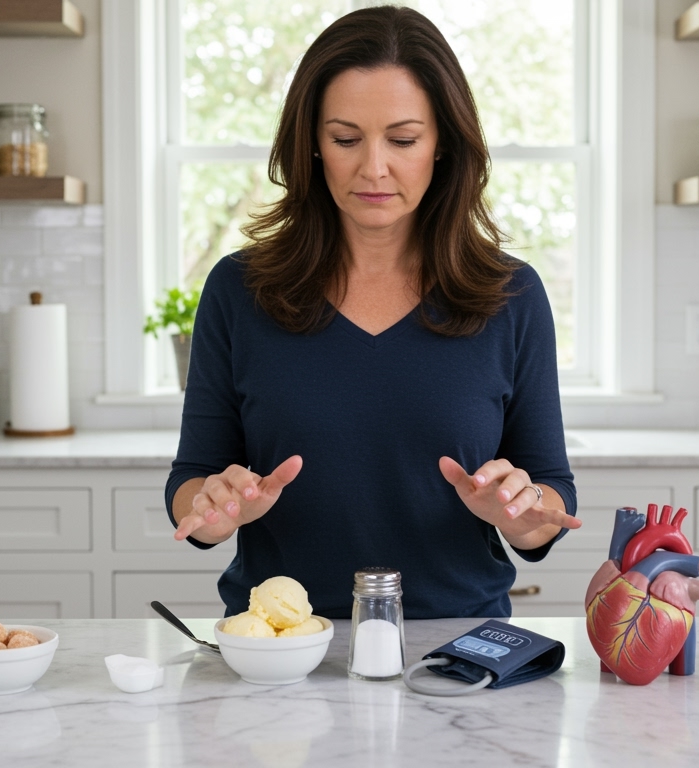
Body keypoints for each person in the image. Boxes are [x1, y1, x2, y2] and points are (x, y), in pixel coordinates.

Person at [166, 5, 579, 620]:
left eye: (404, 139)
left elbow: (550, 494)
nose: (374, 167)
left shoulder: (511, 295)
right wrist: (216, 508)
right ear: (311, 146)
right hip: (282, 649)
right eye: (345, 139)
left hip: (457, 643)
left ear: (443, 144)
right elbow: (192, 481)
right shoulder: (239, 289)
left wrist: (519, 515)